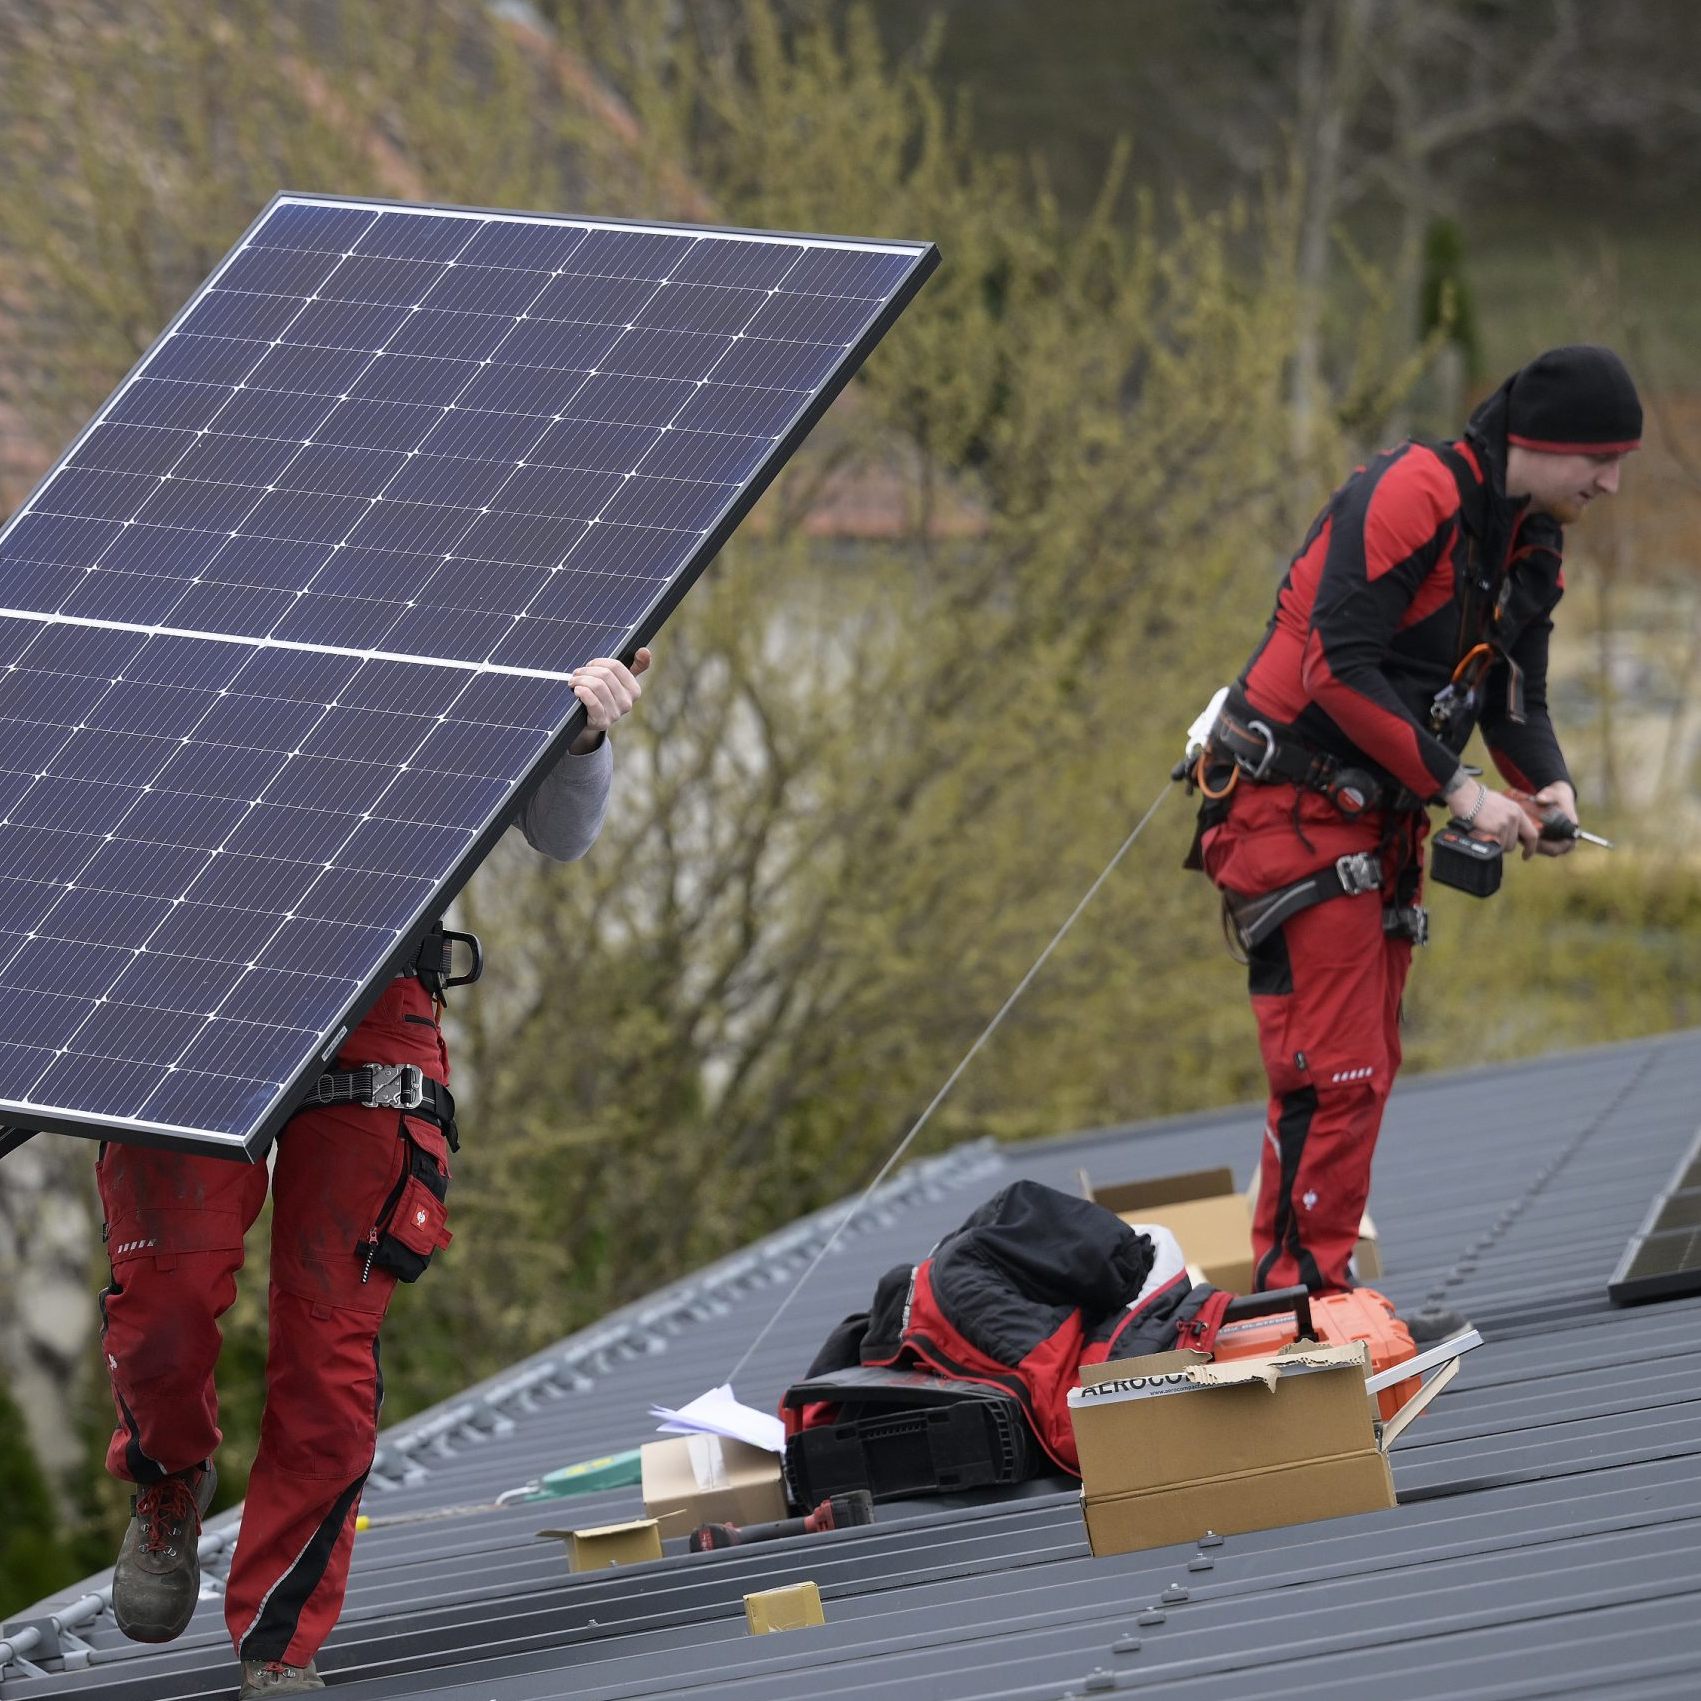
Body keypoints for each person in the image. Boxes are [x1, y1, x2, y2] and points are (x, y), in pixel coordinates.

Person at [98, 651, 651, 1698]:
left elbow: (564, 834)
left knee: (327, 1341)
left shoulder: (479, 597)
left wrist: (581, 734)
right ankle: (168, 1481)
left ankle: (282, 1645)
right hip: (171, 986)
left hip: (372, 987)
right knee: (165, 1302)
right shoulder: (163, 570)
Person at [1190, 346, 1641, 1315]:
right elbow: (1334, 670)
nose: (1610, 481)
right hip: (1289, 807)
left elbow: (1513, 696)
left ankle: (1310, 1291)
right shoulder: (1415, 492)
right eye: (1599, 458)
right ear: (1540, 442)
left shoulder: (1532, 542)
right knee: (1334, 1069)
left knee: (1363, 1066)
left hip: (1369, 818)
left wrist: (1547, 787)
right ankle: (1303, 1305)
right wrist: (1465, 793)